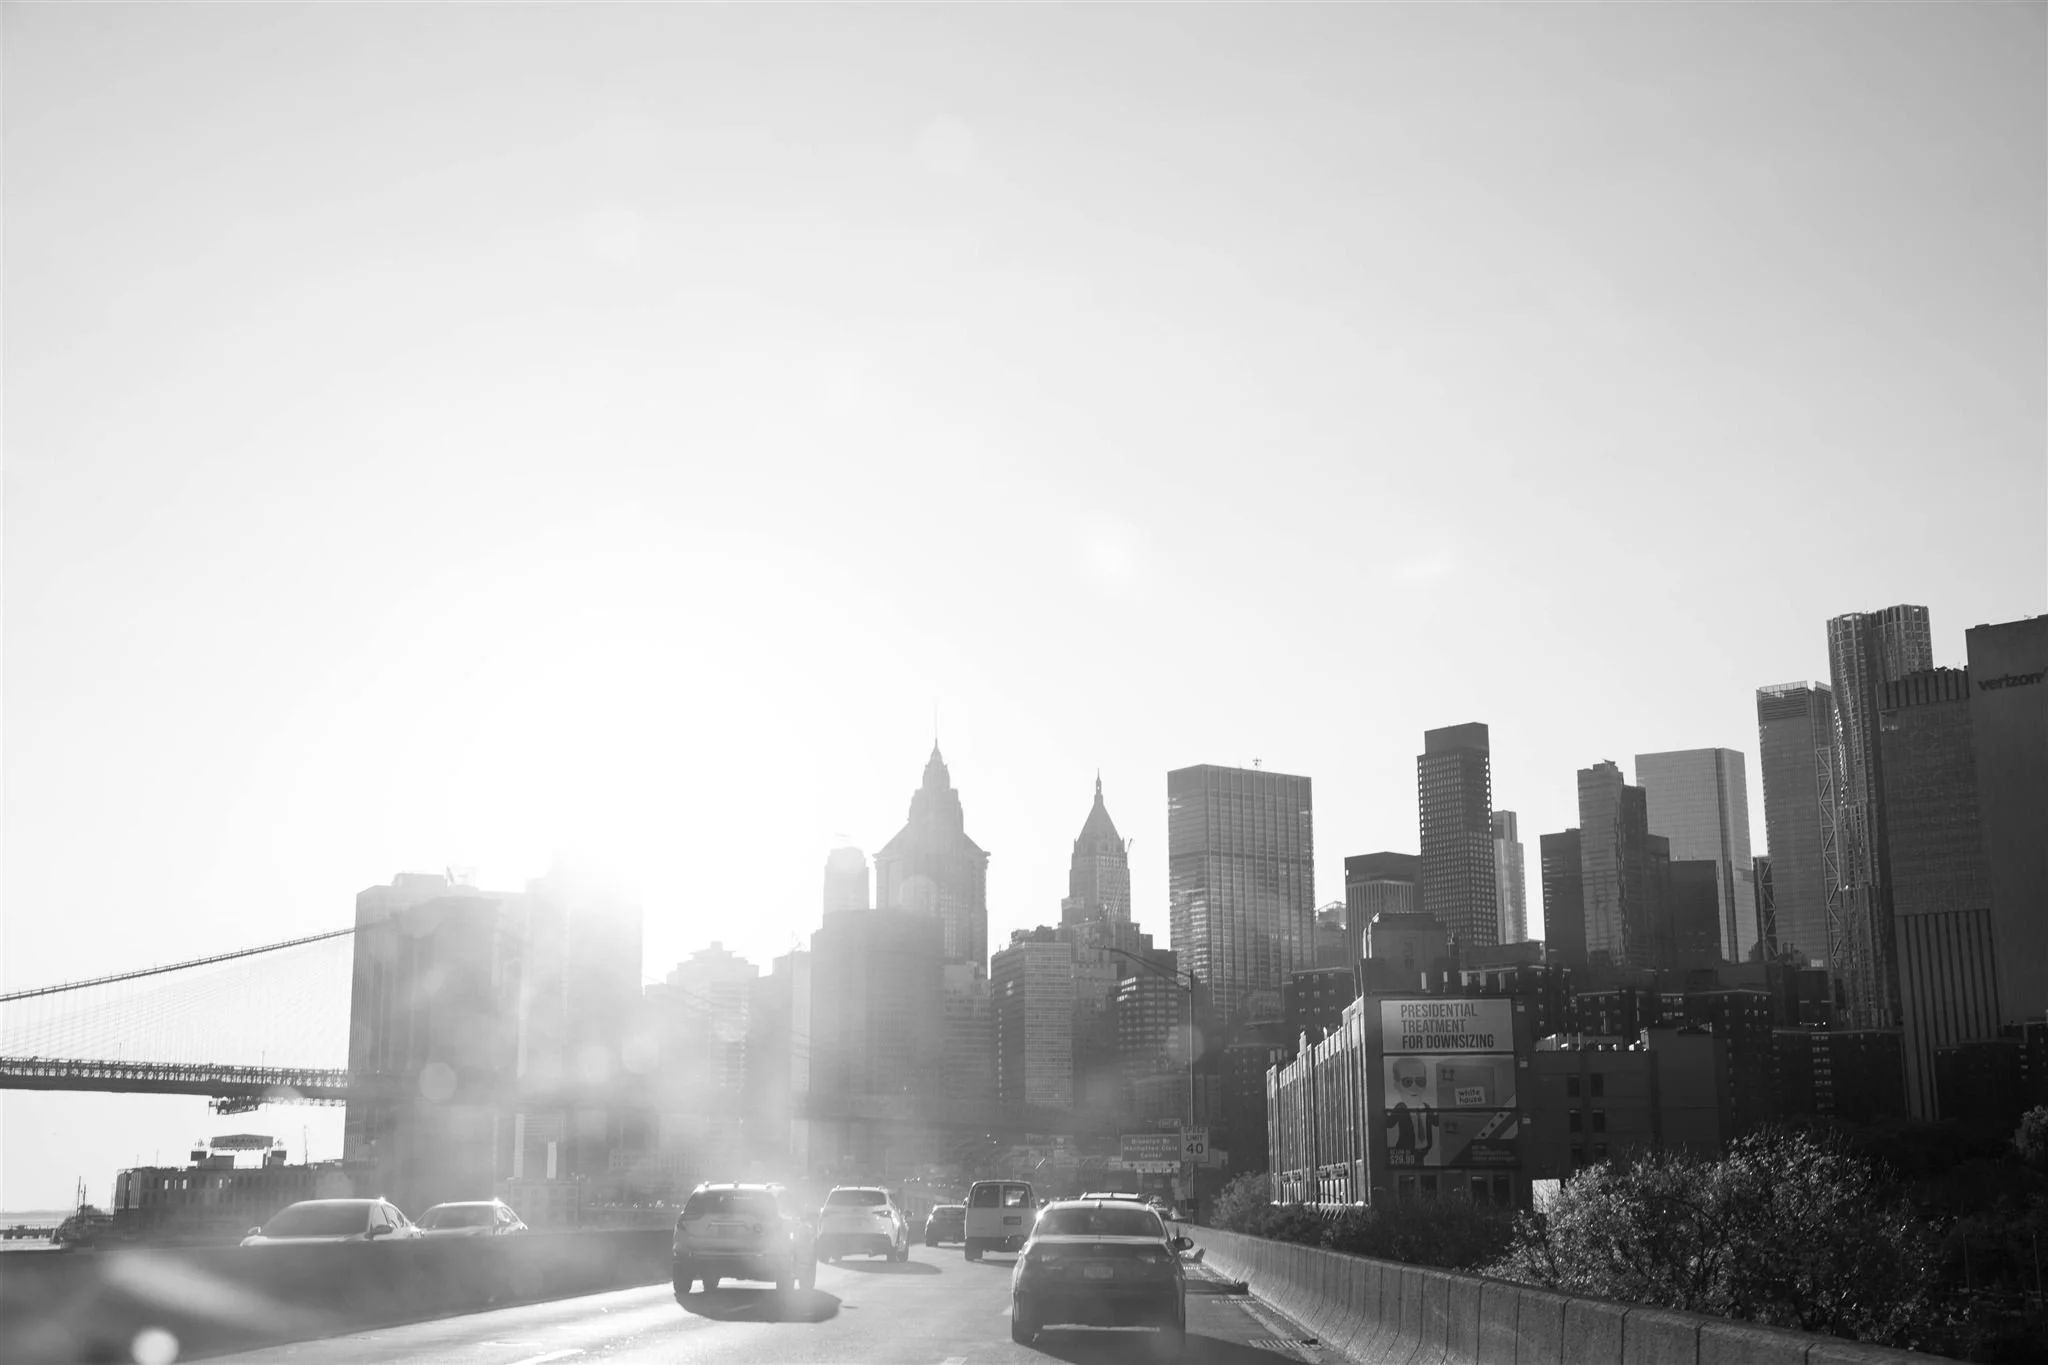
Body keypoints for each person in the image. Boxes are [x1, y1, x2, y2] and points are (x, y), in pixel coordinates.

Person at [1384, 1056, 1439, 1165]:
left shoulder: (1426, 1107)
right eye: (1407, 1082)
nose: (1414, 1087)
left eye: (1420, 1081)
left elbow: (1436, 1122)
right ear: (1397, 1085)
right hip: (1406, 1153)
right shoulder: (1401, 1107)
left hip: (1423, 1153)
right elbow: (1389, 1124)